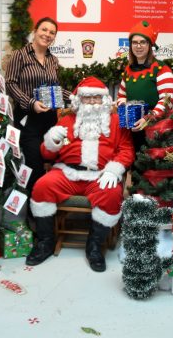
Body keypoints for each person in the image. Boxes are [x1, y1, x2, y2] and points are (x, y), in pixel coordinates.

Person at [26, 77, 134, 272]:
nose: (92, 102)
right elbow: (47, 154)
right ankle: (45, 242)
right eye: (87, 98)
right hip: (67, 173)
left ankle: (94, 247)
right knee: (42, 186)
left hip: (100, 174)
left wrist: (114, 169)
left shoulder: (117, 121)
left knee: (111, 194)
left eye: (96, 98)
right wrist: (51, 141)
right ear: (78, 100)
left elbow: (126, 151)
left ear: (104, 100)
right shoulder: (67, 120)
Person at [6, 17, 71, 195]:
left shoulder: (53, 60)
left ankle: (49, 201)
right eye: (44, 30)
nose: (47, 34)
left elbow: (56, 89)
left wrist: (74, 97)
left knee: (56, 157)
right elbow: (10, 84)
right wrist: (31, 103)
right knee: (34, 163)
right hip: (28, 119)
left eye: (52, 32)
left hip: (50, 119)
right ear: (35, 31)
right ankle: (34, 206)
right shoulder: (19, 55)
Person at [116, 20, 173, 152]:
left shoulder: (161, 69)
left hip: (156, 132)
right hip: (132, 129)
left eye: (143, 42)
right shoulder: (128, 70)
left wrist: (148, 119)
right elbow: (121, 96)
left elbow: (167, 101)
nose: (138, 46)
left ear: (150, 45)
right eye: (135, 42)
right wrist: (123, 109)